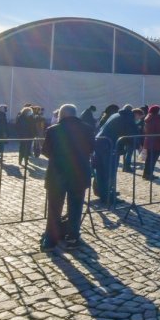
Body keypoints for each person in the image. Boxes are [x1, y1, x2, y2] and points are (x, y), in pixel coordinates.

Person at [40, 104, 95, 249]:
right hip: (79, 173)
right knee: (76, 207)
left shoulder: (53, 130)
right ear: (75, 114)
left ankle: (50, 239)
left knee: (54, 208)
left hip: (57, 173)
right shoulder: (88, 128)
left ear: (61, 115)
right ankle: (72, 237)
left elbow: (46, 151)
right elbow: (91, 148)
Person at [141, 106, 160, 181]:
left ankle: (146, 174)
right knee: (153, 160)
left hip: (148, 141)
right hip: (156, 142)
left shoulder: (147, 118)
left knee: (148, 160)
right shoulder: (157, 119)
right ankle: (149, 174)